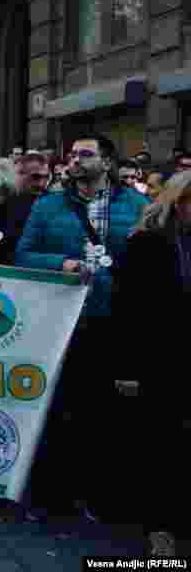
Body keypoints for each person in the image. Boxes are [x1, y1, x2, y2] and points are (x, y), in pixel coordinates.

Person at [15, 133, 150, 524]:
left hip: (115, 321)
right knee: (60, 407)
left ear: (107, 163)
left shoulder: (137, 206)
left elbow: (152, 259)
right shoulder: (48, 205)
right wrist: (63, 264)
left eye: (84, 154)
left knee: (107, 412)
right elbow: (24, 254)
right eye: (72, 154)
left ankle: (102, 496)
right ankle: (52, 496)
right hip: (62, 321)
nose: (74, 160)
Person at [115, 171, 191, 556]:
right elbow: (129, 312)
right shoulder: (146, 244)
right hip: (159, 359)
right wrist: (128, 369)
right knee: (161, 443)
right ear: (179, 203)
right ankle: (159, 527)